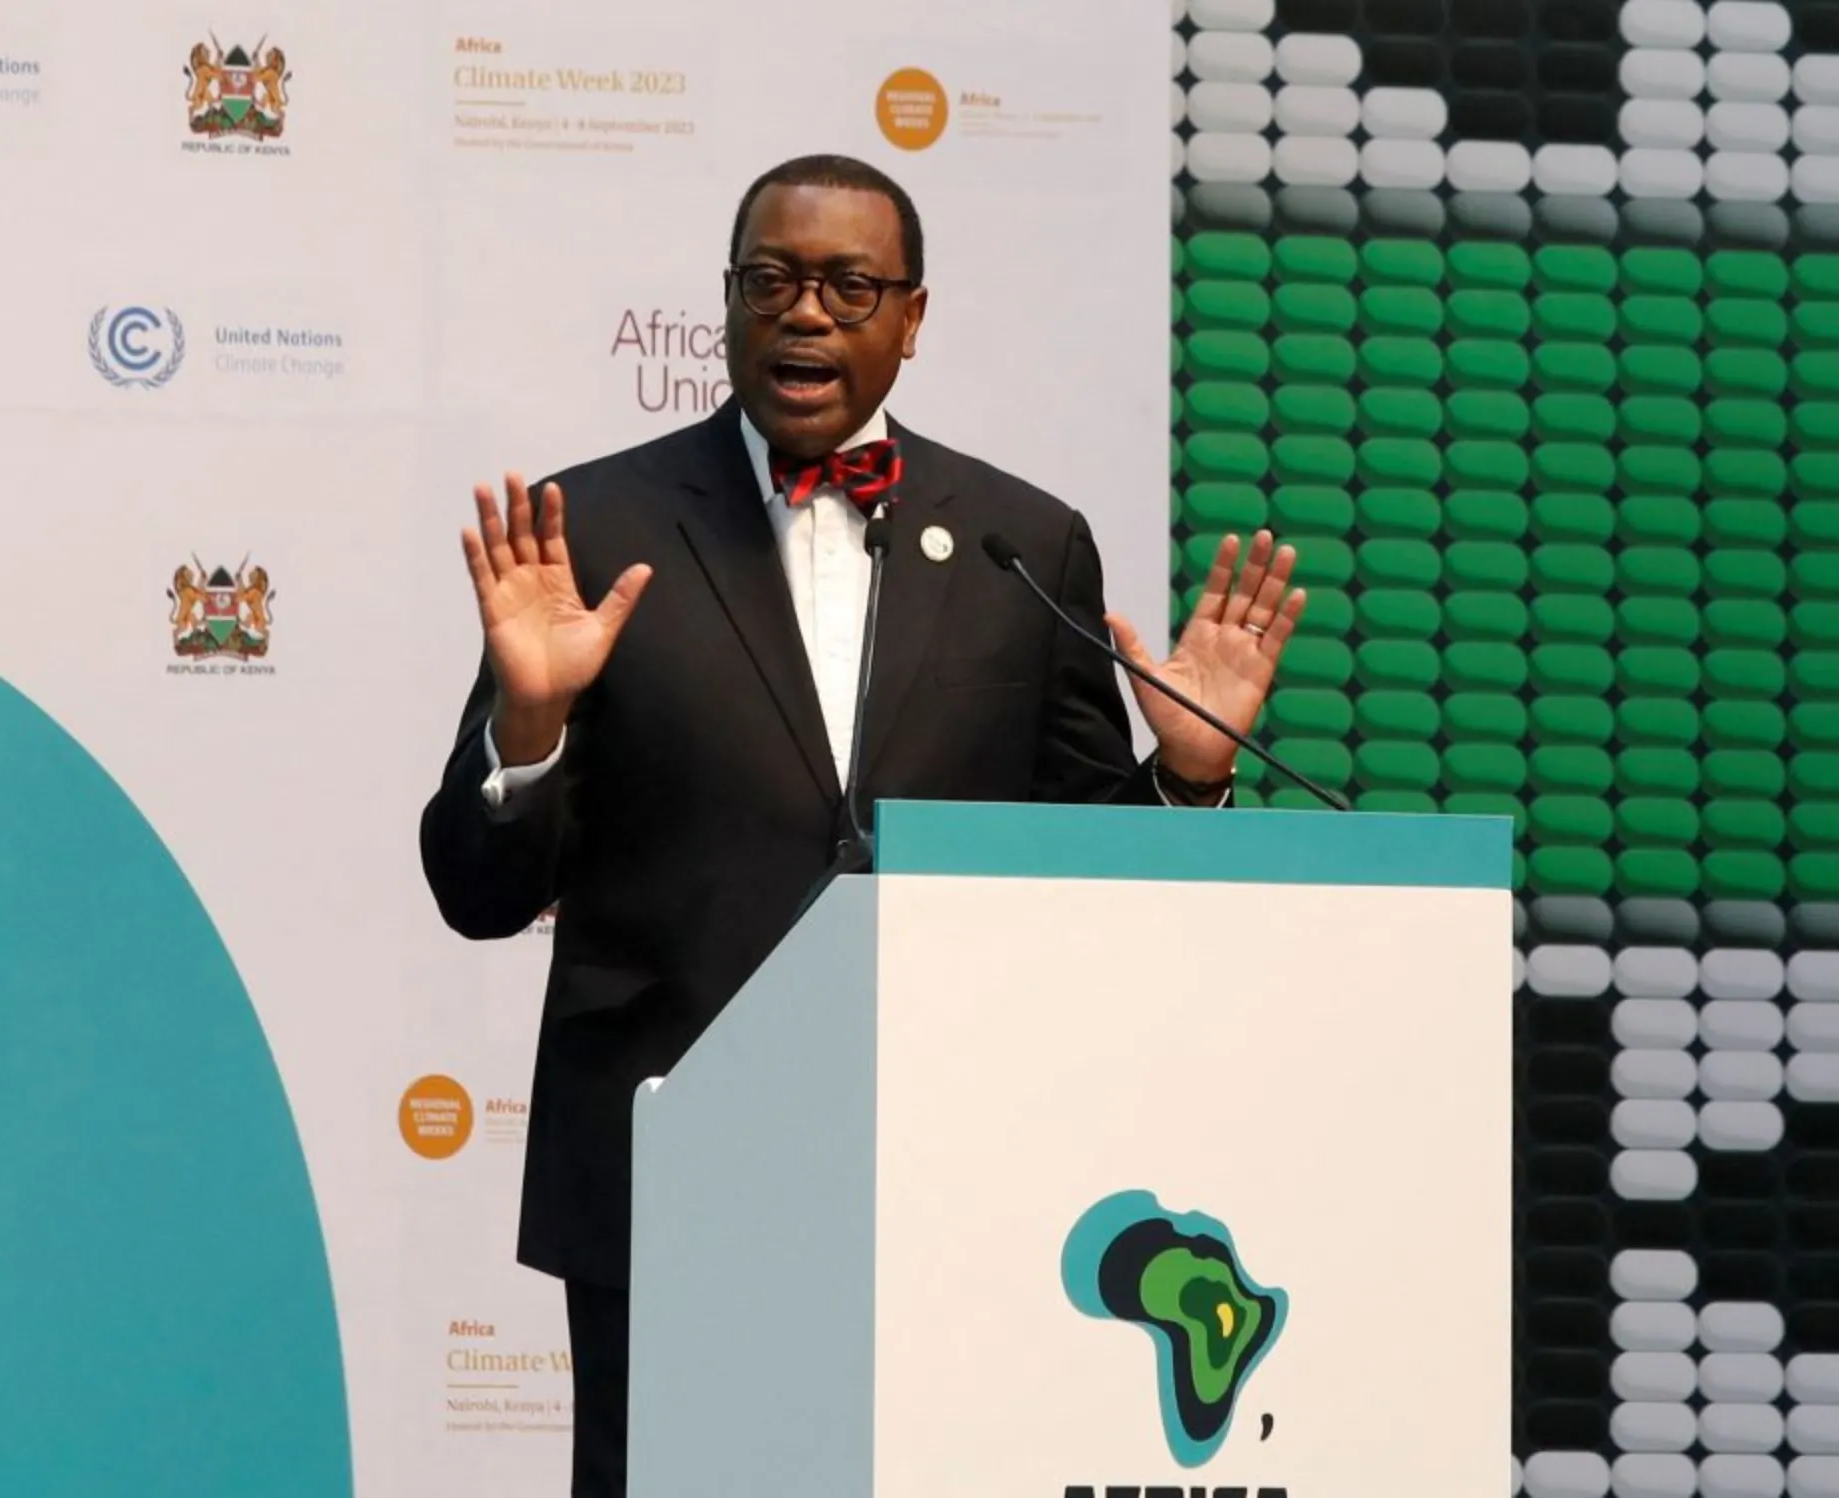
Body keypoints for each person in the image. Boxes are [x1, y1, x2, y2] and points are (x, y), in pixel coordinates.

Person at [418, 153, 1305, 1498]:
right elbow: (479, 888)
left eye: (848, 284)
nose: (807, 313)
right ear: (727, 305)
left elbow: (1086, 891)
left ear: (913, 315)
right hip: (672, 1180)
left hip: (952, 1171)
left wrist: (1183, 774)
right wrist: (530, 727)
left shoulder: (1025, 546)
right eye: (771, 280)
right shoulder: (591, 529)